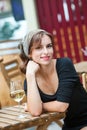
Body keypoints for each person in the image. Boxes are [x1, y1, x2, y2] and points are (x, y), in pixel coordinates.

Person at [19, 29, 87, 130]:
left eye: (49, 46)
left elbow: (62, 106)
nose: (46, 52)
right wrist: (30, 75)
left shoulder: (64, 64)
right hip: (71, 126)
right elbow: (36, 112)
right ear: (29, 53)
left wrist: (38, 106)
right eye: (39, 48)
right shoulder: (30, 81)